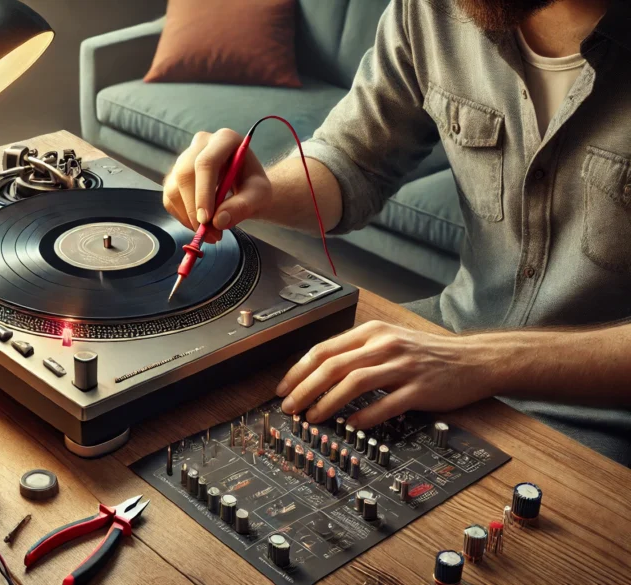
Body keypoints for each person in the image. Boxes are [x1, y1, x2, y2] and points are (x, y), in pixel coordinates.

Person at [162, 0, 631, 465]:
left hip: (598, 418)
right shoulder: (432, 9)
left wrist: (483, 361)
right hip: (446, 340)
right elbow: (354, 160)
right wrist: (263, 190)